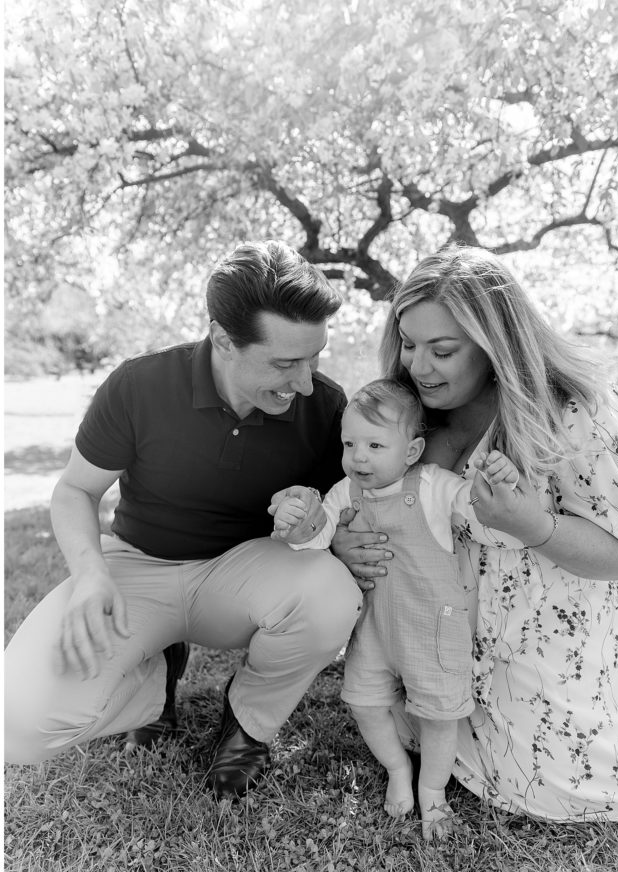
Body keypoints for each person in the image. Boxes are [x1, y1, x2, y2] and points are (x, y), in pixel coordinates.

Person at [4, 240, 363, 799]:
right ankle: (154, 682)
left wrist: (316, 526)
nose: (307, 381)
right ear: (223, 339)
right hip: (137, 567)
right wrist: (90, 574)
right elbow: (76, 488)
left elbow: (338, 514)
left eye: (315, 357)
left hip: (244, 574)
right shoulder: (139, 385)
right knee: (18, 725)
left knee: (331, 596)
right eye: (286, 363)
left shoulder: (325, 408)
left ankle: (246, 726)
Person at [331, 245, 618, 823]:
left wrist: (533, 526)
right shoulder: (405, 416)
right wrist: (343, 544)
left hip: (550, 649)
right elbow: (364, 505)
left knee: (559, 779)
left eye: (443, 350)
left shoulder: (573, 413)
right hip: (433, 638)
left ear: (494, 345)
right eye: (409, 344)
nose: (419, 366)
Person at [271, 378, 521, 839]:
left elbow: (486, 515)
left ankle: (433, 792)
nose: (358, 457)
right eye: (349, 444)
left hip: (433, 629)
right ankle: (397, 768)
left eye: (374, 444)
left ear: (411, 450)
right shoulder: (345, 493)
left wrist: (496, 480)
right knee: (366, 706)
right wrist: (295, 523)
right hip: (373, 631)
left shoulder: (432, 486)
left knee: (440, 717)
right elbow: (313, 542)